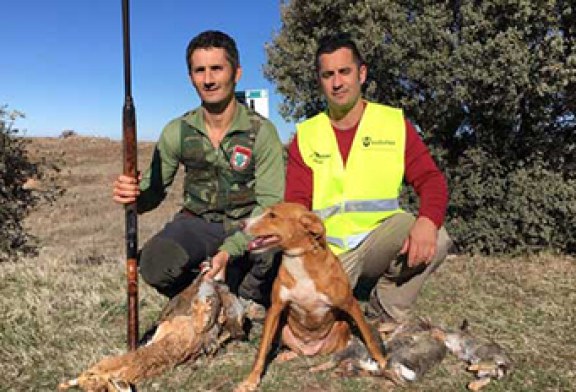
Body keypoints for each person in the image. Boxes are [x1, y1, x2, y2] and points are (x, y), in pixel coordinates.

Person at [284, 32, 452, 323]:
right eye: (328, 75)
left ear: (361, 74)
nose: (337, 83)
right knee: (312, 322)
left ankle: (388, 305)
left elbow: (431, 179)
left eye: (344, 72)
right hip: (330, 252)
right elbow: (296, 205)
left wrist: (426, 221)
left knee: (438, 238)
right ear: (319, 81)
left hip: (381, 237)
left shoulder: (393, 123)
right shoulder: (308, 134)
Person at [113, 30, 285, 305]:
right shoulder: (177, 131)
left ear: (236, 73)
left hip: (248, 224)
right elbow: (152, 195)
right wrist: (132, 196)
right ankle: (197, 300)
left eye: (217, 68)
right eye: (199, 70)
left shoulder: (262, 132)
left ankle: (245, 300)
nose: (208, 79)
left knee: (271, 250)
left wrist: (231, 250)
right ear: (190, 77)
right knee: (155, 262)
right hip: (198, 223)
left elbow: (270, 206)